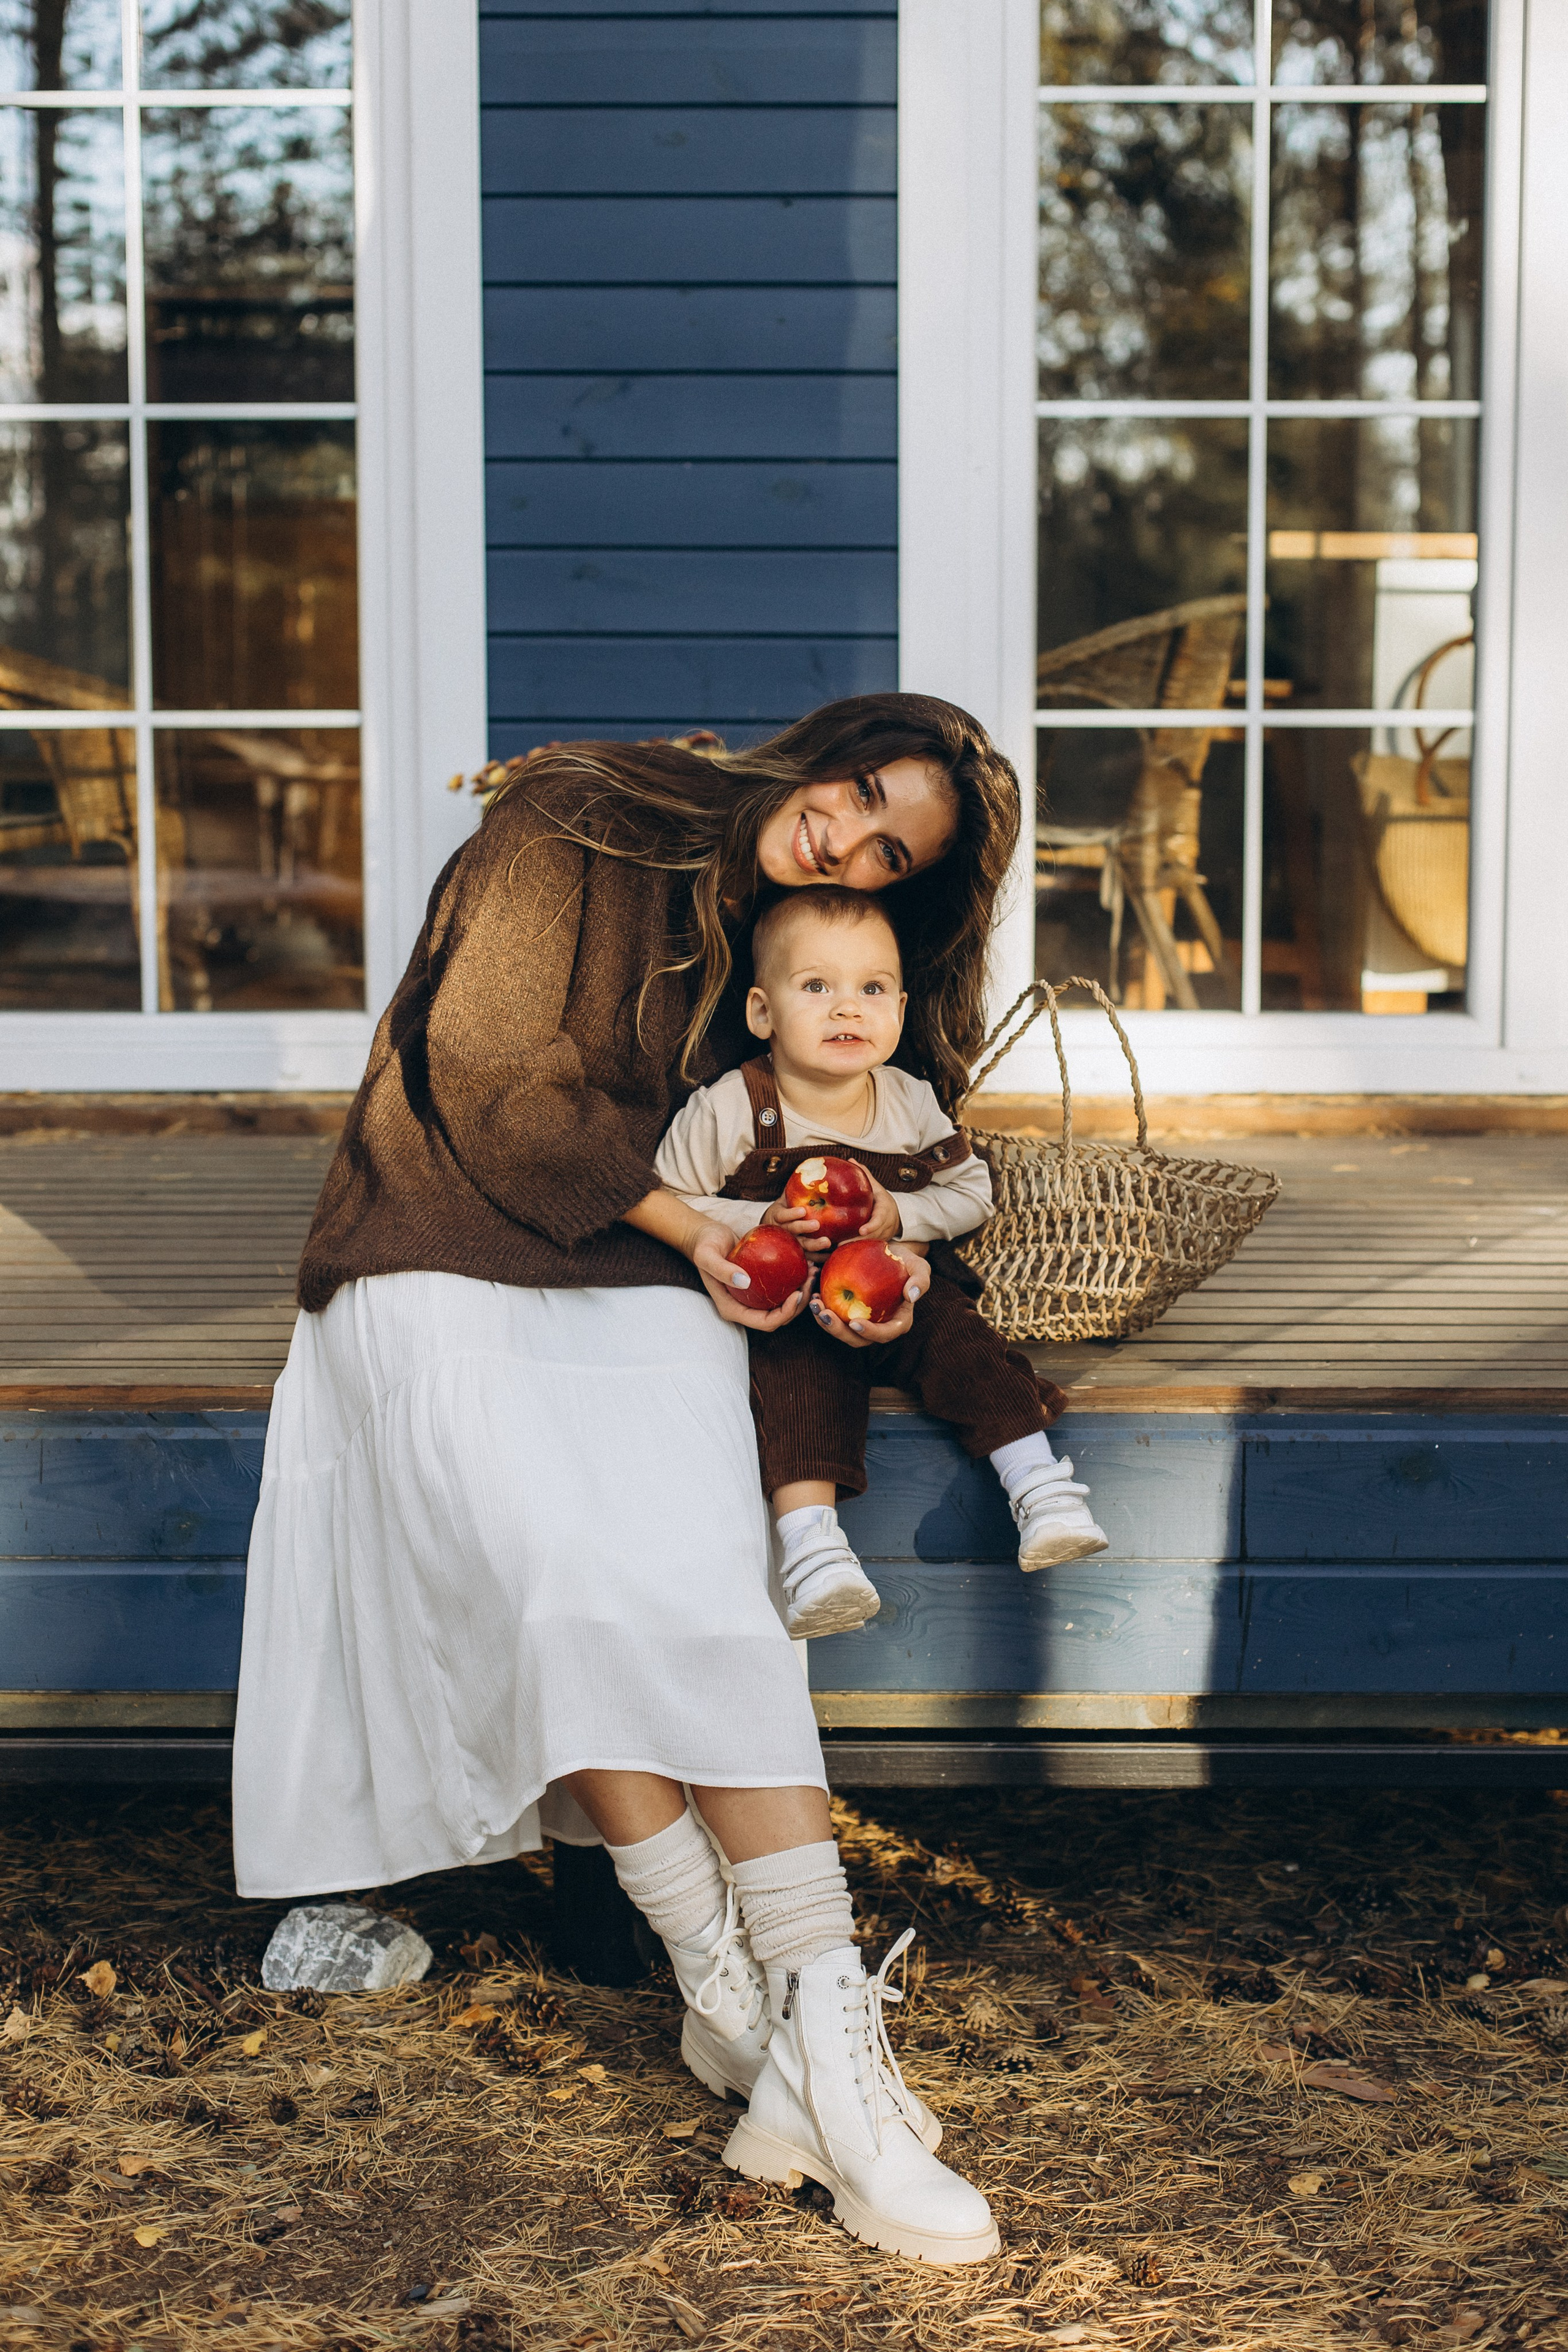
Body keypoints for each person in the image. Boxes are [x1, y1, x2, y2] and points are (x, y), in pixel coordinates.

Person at [232, 695, 1019, 2267]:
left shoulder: (812, 928)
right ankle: (726, 1994)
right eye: (856, 795)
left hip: (653, 1284)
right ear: (821, 747)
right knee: (562, 1577)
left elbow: (864, 1115)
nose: (844, 845)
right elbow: (491, 1079)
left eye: (887, 855)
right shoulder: (576, 815)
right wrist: (702, 1226)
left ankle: (814, 2032)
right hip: (436, 1249)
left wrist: (845, 1216)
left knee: (699, 1577)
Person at [654, 884, 1107, 1638]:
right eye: (816, 987)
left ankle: (1039, 1485)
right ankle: (811, 1550)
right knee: (794, 1378)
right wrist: (757, 1221)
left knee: (964, 1342)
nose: (846, 1008)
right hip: (792, 1300)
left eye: (871, 989)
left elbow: (971, 1193)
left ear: (899, 1008)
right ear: (762, 1012)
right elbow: (670, 1199)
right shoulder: (733, 1106)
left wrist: (902, 1217)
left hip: (901, 1284)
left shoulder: (906, 1101)